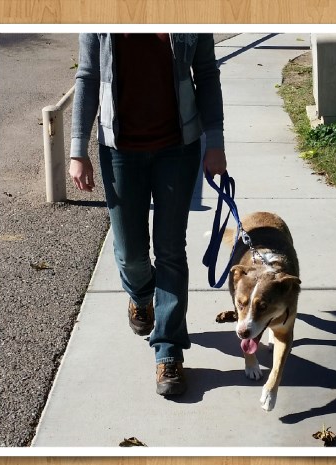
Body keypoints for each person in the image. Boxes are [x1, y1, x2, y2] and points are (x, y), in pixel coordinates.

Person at [69, 33, 226, 396]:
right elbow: (88, 76)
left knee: (171, 250)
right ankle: (141, 295)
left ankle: (168, 351)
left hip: (178, 148)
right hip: (120, 149)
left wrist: (214, 142)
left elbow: (206, 73)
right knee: (129, 253)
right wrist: (78, 149)